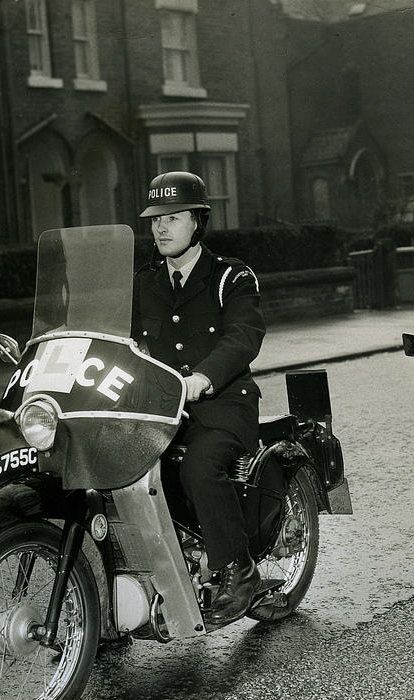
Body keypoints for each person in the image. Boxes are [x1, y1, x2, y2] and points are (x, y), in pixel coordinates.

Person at [130, 171, 266, 626]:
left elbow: (244, 336)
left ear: (199, 222)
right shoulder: (142, 283)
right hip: (159, 409)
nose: (161, 228)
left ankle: (239, 569)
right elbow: (112, 336)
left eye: (173, 217)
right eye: (155, 220)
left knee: (199, 467)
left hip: (221, 404)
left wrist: (203, 378)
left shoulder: (231, 277)